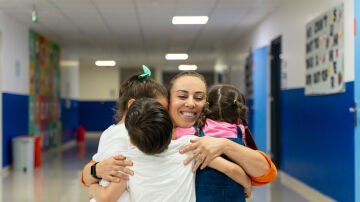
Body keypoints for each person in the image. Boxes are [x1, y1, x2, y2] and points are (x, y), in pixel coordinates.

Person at [82, 70, 276, 200]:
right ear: (168, 101)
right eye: (182, 96)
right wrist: (96, 170)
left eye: (199, 98)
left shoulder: (209, 135)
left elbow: (265, 174)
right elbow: (88, 175)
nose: (190, 103)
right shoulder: (147, 131)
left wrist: (224, 145)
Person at [81, 65, 169, 198]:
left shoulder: (109, 132)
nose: (161, 115)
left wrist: (93, 184)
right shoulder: (130, 134)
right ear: (133, 105)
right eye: (157, 108)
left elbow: (93, 167)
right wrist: (95, 186)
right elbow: (109, 191)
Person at [88, 98, 196, 202]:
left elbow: (107, 198)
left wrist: (93, 188)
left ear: (131, 141)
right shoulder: (189, 146)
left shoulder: (126, 163)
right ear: (172, 130)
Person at [176, 83, 265, 200]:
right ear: (238, 109)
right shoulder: (241, 130)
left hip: (203, 195)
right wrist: (247, 185)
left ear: (207, 106)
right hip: (235, 194)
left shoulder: (196, 130)